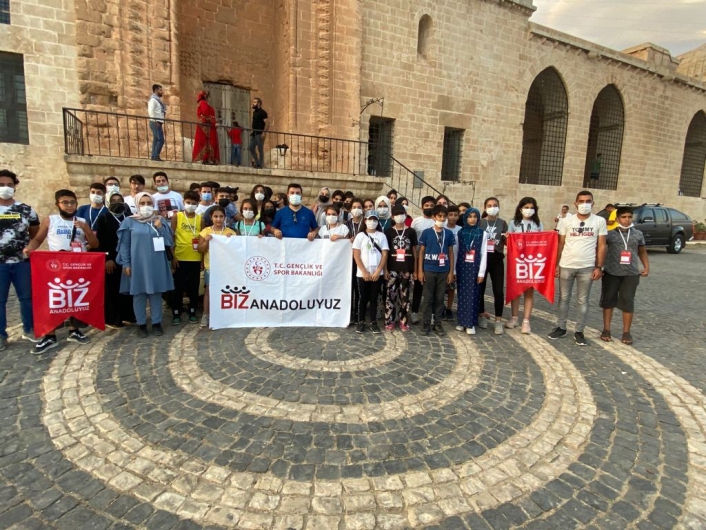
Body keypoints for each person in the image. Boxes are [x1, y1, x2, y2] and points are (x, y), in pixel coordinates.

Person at [24, 189, 98, 353]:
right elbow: (37, 239)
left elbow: (94, 243)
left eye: (72, 202)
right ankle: (50, 335)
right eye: (65, 202)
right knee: (55, 300)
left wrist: (86, 229)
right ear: (58, 204)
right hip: (55, 267)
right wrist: (30, 248)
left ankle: (74, 330)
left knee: (75, 298)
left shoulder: (82, 221)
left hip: (77, 266)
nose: (70, 205)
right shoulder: (51, 220)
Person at [549, 190, 607, 346]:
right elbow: (560, 244)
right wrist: (556, 264)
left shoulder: (599, 221)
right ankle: (561, 327)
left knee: (583, 300)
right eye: (581, 201)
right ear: (576, 203)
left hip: (587, 267)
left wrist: (599, 266)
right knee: (564, 298)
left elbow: (601, 245)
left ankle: (579, 331)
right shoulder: (567, 221)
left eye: (588, 201)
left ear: (593, 203)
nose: (584, 204)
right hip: (567, 265)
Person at [117, 192, 175, 338]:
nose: (146, 206)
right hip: (137, 263)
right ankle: (141, 324)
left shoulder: (159, 219)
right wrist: (126, 264)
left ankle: (157, 323)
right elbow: (124, 245)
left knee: (156, 293)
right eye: (142, 203)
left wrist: (161, 228)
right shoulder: (129, 222)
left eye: (149, 203)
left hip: (157, 262)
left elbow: (169, 242)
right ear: (137, 205)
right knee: (139, 294)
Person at [0, 170, 40, 351]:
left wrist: (29, 247)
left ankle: (29, 329)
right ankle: (1, 335)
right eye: (1, 185)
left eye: (9, 185)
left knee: (26, 297)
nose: (6, 188)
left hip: (21, 262)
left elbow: (35, 234)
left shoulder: (26, 210)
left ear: (15, 186)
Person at [600, 207, 649, 345]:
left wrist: (646, 267)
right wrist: (600, 266)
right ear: (617, 219)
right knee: (608, 300)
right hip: (611, 272)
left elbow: (642, 251)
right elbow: (601, 250)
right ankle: (606, 329)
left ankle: (626, 332)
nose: (626, 220)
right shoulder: (609, 234)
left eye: (629, 217)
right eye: (623, 217)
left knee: (628, 301)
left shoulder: (638, 234)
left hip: (631, 273)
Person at [95, 192, 135, 329]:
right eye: (114, 200)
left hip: (127, 259)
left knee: (128, 289)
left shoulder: (129, 217)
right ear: (108, 203)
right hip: (112, 259)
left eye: (119, 200)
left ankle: (128, 315)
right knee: (113, 289)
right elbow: (101, 241)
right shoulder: (104, 218)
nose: (117, 203)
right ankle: (113, 318)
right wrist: (107, 258)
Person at [505, 197, 544, 334]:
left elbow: (542, 242)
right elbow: (508, 242)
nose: (528, 210)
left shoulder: (538, 224)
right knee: (516, 290)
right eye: (526, 207)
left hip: (531, 261)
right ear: (520, 208)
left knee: (529, 291)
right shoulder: (513, 223)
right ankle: (514, 317)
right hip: (517, 261)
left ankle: (526, 320)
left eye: (531, 207)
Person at [418, 205, 455, 335]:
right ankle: (426, 322)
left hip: (443, 270)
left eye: (444, 216)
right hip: (429, 268)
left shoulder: (449, 233)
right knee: (428, 298)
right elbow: (421, 252)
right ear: (434, 217)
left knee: (440, 298)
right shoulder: (426, 232)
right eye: (440, 216)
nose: (442, 218)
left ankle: (438, 322)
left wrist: (451, 271)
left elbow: (450, 253)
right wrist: (420, 271)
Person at [198, 206, 236, 329]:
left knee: (226, 291)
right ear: (211, 217)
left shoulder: (230, 232)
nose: (218, 219)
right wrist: (206, 241)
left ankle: (225, 314)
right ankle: (206, 315)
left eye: (221, 216)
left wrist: (232, 240)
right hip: (211, 266)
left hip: (226, 267)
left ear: (225, 218)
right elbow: (200, 249)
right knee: (209, 291)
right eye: (216, 216)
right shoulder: (205, 231)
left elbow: (236, 251)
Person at [352, 211, 389, 334]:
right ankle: (361, 321)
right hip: (363, 273)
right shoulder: (360, 236)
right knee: (362, 298)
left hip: (376, 274)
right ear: (365, 221)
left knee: (374, 298)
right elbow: (356, 254)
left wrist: (379, 270)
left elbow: (384, 254)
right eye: (369, 219)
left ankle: (373, 322)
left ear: (377, 222)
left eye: (374, 220)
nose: (372, 222)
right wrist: (364, 271)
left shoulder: (381, 236)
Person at [169, 191, 202, 325]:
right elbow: (171, 237)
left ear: (197, 204)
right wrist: (173, 257)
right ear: (183, 202)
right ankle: (176, 312)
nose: (191, 205)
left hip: (195, 258)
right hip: (180, 257)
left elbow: (202, 238)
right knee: (178, 287)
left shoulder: (201, 219)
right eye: (188, 203)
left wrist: (202, 259)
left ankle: (192, 310)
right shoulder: (178, 216)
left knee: (193, 287)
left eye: (194, 203)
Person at [384, 205, 417, 332]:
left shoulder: (411, 231)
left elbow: (414, 250)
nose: (399, 216)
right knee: (390, 296)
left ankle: (403, 320)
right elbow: (385, 252)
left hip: (406, 268)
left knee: (405, 297)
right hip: (392, 267)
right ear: (392, 217)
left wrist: (414, 269)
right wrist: (385, 269)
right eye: (397, 214)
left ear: (405, 215)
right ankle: (389, 320)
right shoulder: (388, 232)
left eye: (402, 214)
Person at [455, 207, 488, 335]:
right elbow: (456, 251)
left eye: (475, 216)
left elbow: (484, 253)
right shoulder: (461, 232)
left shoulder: (482, 233)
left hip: (475, 267)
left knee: (473, 295)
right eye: (470, 216)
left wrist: (481, 272)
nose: (472, 219)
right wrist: (454, 271)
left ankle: (470, 323)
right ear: (465, 218)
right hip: (462, 267)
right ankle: (461, 321)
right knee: (462, 294)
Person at [478, 197, 508, 335]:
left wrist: (507, 238)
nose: (492, 207)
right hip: (483, 258)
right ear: (485, 207)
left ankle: (498, 320)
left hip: (497, 258)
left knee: (498, 290)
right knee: (480, 288)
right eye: (489, 205)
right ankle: (481, 315)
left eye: (495, 205)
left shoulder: (502, 223)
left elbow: (507, 242)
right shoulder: (480, 222)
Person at [410, 196, 436, 324]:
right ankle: (414, 311)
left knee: (431, 287)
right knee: (418, 287)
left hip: (432, 258)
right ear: (422, 207)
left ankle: (431, 313)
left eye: (432, 205)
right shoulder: (416, 221)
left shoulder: (437, 222)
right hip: (419, 256)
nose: (429, 207)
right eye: (427, 205)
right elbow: (412, 240)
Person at [444, 204, 462, 320]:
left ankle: (449, 308)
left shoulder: (460, 230)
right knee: (441, 288)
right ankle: (440, 307)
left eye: (455, 215)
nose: (453, 217)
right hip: (442, 260)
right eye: (450, 215)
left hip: (455, 260)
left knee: (451, 288)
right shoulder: (442, 228)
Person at [192, 91, 219, 164]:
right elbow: (205, 113)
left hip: (207, 125)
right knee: (207, 142)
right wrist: (214, 123)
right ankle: (206, 159)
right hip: (206, 126)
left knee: (206, 142)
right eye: (208, 97)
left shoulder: (202, 103)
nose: (209, 99)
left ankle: (207, 159)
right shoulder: (203, 103)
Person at [249, 97, 269, 169]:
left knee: (260, 149)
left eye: (254, 102)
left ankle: (260, 164)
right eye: (253, 102)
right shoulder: (254, 112)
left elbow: (267, 123)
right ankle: (257, 163)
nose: (253, 103)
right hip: (254, 133)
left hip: (260, 133)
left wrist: (264, 132)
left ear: (259, 104)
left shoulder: (263, 112)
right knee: (251, 147)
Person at [148, 84, 166, 161]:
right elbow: (150, 111)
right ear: (156, 90)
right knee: (161, 139)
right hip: (155, 122)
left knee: (156, 139)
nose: (162, 92)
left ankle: (154, 156)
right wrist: (155, 120)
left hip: (158, 122)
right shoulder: (153, 100)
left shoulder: (157, 100)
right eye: (160, 90)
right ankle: (156, 156)